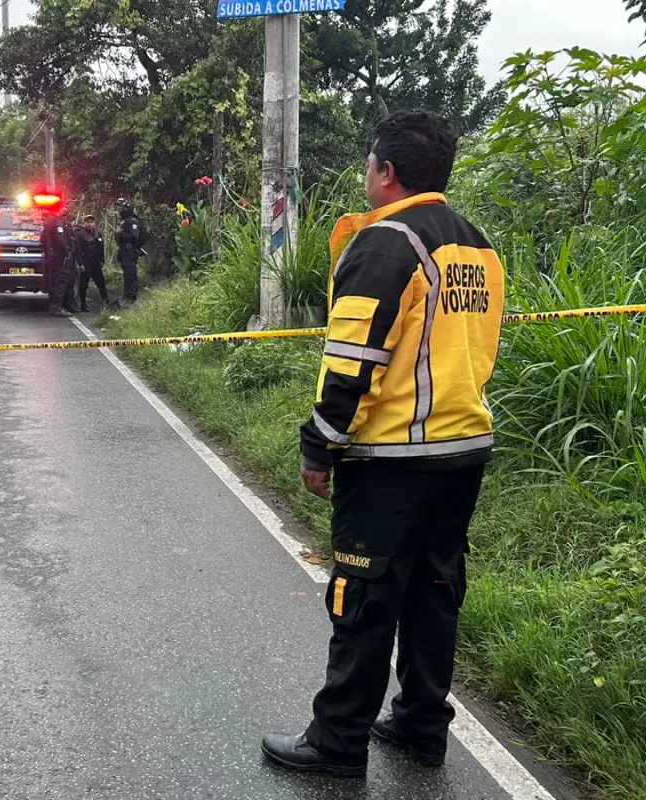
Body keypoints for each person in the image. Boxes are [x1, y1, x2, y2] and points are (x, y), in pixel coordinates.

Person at [261, 110, 506, 778]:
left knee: (363, 597)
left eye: (369, 164)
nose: (367, 174)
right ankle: (422, 725)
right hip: (464, 449)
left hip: (392, 458)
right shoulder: (478, 245)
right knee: (434, 589)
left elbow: (351, 363)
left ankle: (338, 742)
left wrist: (321, 445)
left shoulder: (383, 242)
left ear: (386, 172)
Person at [41, 204, 75, 317]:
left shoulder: (47, 222)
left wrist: (47, 252)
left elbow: (42, 240)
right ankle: (57, 307)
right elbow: (60, 239)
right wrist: (67, 252)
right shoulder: (58, 222)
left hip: (51, 256)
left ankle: (53, 305)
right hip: (58, 256)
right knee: (61, 280)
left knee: (52, 279)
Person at [113, 198, 146, 306]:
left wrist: (121, 233)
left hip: (130, 252)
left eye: (120, 206)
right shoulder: (123, 221)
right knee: (127, 276)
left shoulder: (132, 221)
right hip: (124, 252)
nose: (119, 209)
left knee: (131, 275)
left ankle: (131, 298)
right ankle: (126, 297)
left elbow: (134, 236)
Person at [74, 214, 109, 312]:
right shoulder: (80, 234)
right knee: (84, 284)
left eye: (91, 222)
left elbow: (101, 248)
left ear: (94, 223)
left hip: (96, 261)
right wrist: (80, 264)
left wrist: (102, 260)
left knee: (101, 282)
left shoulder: (97, 233)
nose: (89, 224)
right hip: (86, 260)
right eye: (87, 222)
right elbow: (78, 250)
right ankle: (83, 304)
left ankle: (106, 302)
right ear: (84, 223)